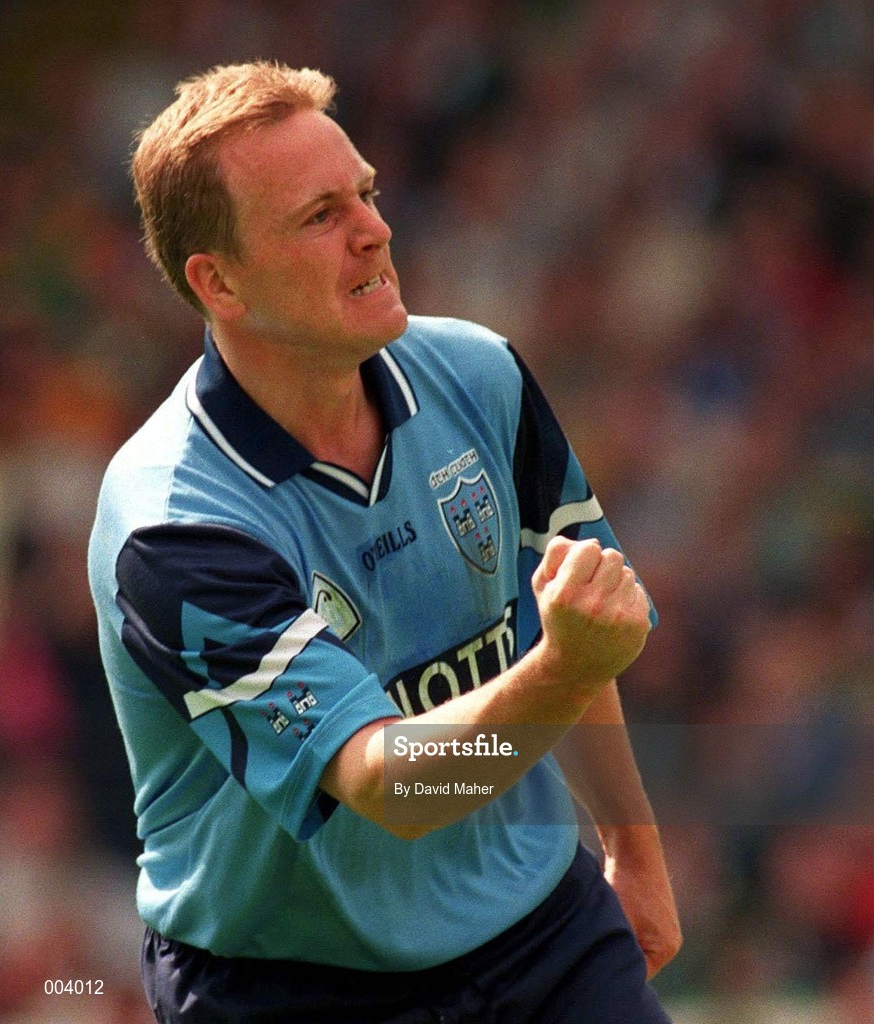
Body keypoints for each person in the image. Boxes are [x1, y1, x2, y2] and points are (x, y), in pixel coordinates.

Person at [88, 60, 681, 1023]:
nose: (376, 228)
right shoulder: (175, 527)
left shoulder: (478, 374)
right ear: (219, 281)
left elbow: (562, 610)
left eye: (365, 191)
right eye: (320, 216)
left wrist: (634, 851)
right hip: (287, 985)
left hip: (538, 927)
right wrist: (568, 667)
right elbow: (391, 784)